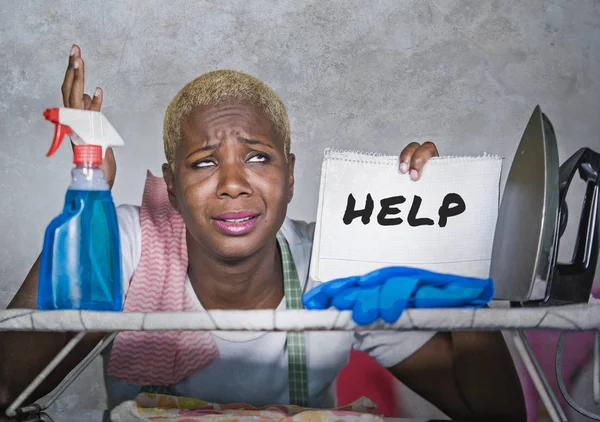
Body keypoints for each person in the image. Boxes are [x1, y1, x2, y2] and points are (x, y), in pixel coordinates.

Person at [0, 45, 526, 421]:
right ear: (173, 187)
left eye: (257, 157)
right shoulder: (125, 243)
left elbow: (490, 412)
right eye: (205, 163)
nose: (232, 184)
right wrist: (90, 211)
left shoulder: (336, 263)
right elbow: (10, 390)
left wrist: (460, 252)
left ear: (291, 176)